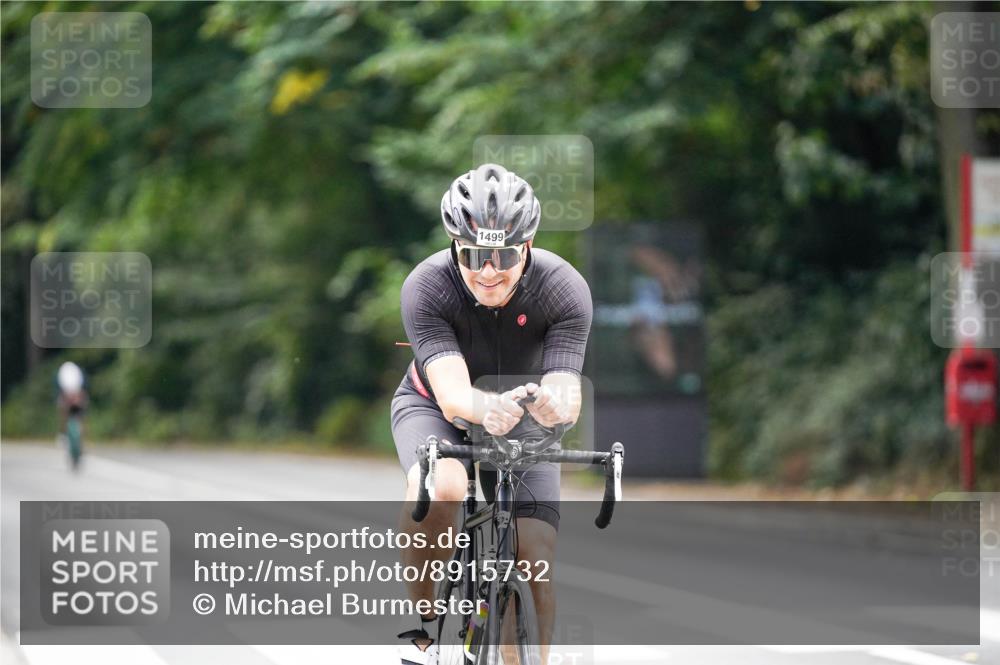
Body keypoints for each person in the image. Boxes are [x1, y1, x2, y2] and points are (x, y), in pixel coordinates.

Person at [393, 163, 592, 664]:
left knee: (535, 556)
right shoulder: (429, 286)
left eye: (504, 254)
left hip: (522, 415)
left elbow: (567, 388)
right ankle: (424, 625)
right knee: (445, 487)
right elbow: (456, 396)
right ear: (454, 246)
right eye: (474, 254)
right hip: (435, 405)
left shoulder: (563, 287)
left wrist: (554, 405)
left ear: (528, 245)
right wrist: (488, 408)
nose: (488, 269)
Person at [56, 361, 88, 446]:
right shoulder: (64, 395)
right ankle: (63, 434)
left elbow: (82, 408)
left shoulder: (80, 394)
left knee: (81, 418)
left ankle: (81, 439)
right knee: (64, 416)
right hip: (67, 407)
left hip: (77, 407)